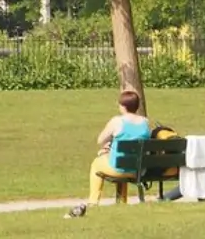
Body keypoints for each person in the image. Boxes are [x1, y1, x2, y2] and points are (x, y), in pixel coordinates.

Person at [64, 89, 151, 218]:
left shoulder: (117, 121)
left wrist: (107, 146)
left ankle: (93, 202)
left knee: (96, 164)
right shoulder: (145, 122)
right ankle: (122, 201)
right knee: (124, 159)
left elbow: (100, 139)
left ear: (124, 106)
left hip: (119, 168)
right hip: (138, 169)